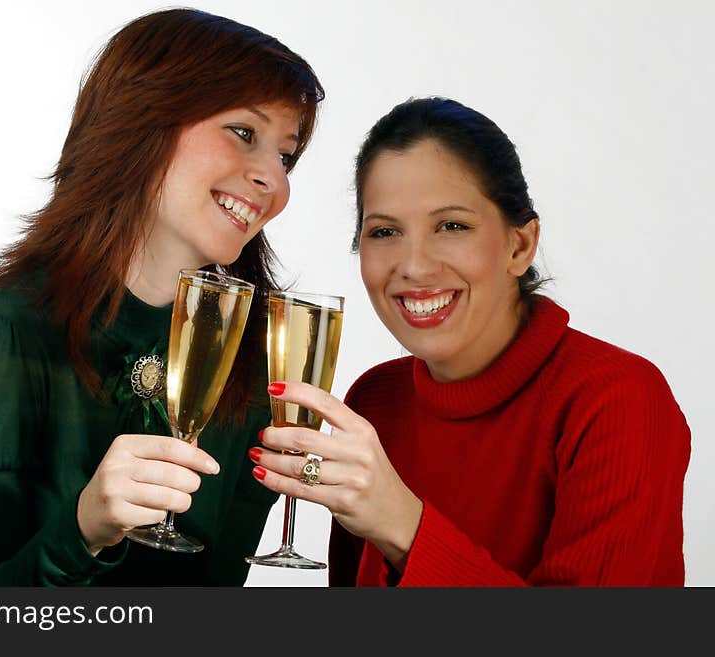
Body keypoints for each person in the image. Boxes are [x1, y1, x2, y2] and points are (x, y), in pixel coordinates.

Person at [0, 8, 324, 586]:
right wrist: (83, 531)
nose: (275, 181)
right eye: (244, 134)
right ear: (143, 121)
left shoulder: (248, 362)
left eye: (286, 156)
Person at [248, 97, 691, 586]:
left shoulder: (619, 398)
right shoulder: (377, 400)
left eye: (452, 226)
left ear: (520, 246)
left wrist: (404, 526)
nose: (414, 266)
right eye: (385, 231)